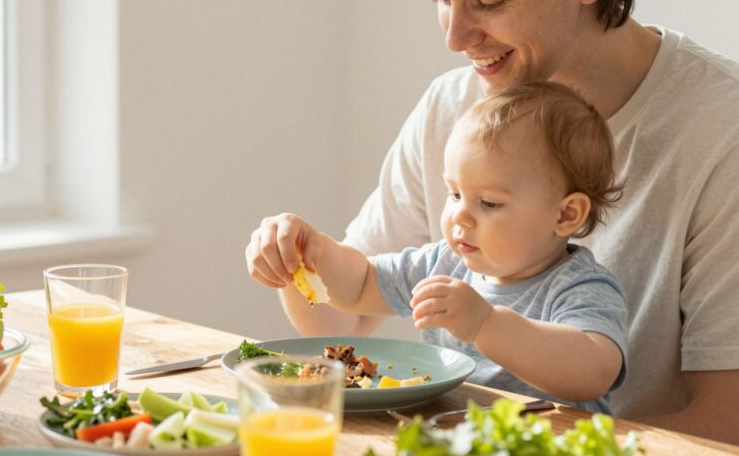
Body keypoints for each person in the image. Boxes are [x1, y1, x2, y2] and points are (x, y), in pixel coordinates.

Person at [249, 0, 739, 456]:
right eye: (442, 0)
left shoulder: (738, 132)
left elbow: (731, 431)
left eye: (488, 2)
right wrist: (294, 261)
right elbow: (346, 316)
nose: (456, 37)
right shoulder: (453, 109)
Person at [249, 81, 629, 413]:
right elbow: (360, 284)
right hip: (454, 443)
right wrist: (310, 250)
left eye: (489, 203)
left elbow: (594, 372)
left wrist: (487, 324)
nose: (459, 215)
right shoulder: (444, 263)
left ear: (565, 214)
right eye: (455, 193)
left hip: (550, 455)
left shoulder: (580, 286)